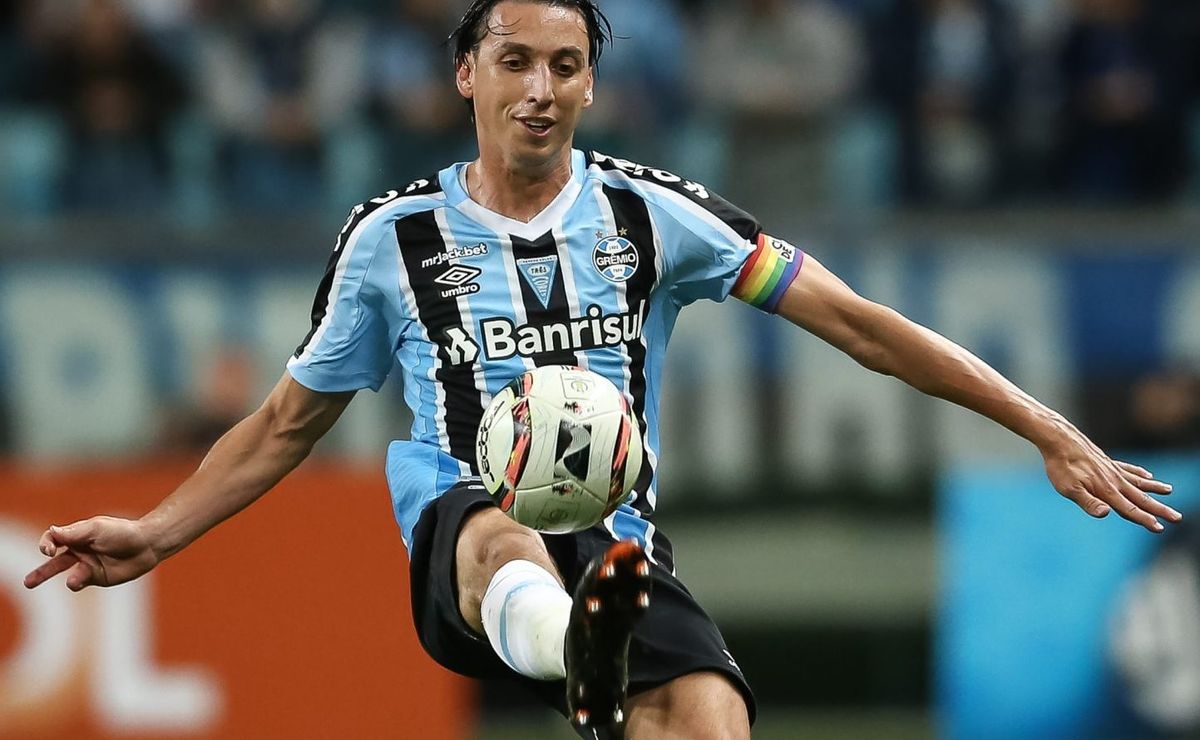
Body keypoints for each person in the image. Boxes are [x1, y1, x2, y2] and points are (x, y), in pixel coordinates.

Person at [22, 1, 1180, 738]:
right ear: (467, 73)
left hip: (618, 543)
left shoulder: (655, 214)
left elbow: (862, 323)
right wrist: (159, 531)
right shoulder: (390, 239)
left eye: (565, 65)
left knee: (712, 716)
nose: (540, 87)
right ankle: (578, 645)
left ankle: (595, 649)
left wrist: (1043, 424)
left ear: (590, 85)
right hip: (465, 532)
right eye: (515, 60)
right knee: (500, 533)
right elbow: (285, 422)